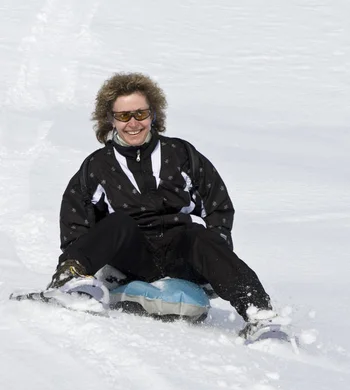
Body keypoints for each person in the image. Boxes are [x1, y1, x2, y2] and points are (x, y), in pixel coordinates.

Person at [48, 72, 278, 334]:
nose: (133, 123)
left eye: (140, 114)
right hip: (131, 258)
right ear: (110, 119)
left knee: (196, 233)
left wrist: (217, 256)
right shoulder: (97, 166)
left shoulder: (180, 154)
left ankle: (260, 313)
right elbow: (76, 219)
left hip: (180, 253)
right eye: (123, 116)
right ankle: (69, 279)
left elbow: (218, 205)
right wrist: (79, 258)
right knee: (118, 222)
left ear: (153, 114)